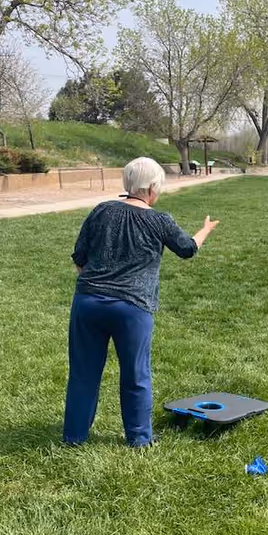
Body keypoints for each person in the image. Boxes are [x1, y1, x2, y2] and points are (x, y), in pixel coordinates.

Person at [63, 157, 219, 448]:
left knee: (83, 373)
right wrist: (206, 230)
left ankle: (74, 437)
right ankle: (139, 438)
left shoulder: (101, 211)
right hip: (132, 308)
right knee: (136, 374)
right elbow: (187, 249)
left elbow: (79, 257)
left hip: (88, 302)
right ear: (152, 188)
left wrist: (96, 287)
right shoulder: (160, 220)